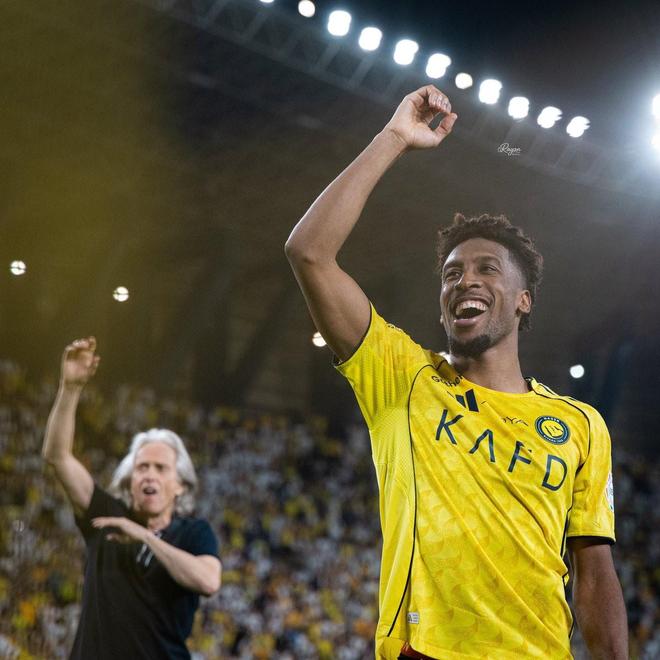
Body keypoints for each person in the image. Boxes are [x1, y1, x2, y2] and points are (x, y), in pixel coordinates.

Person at [285, 85, 628, 659]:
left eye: (487, 269)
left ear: (523, 300)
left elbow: (594, 574)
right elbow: (309, 253)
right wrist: (394, 137)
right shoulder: (401, 377)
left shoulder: (580, 426)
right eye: (451, 274)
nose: (464, 280)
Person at [42, 337, 221, 660]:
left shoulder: (194, 533)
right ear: (130, 480)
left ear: (180, 485)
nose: (150, 475)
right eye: (142, 467)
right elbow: (57, 456)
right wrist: (70, 388)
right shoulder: (105, 514)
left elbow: (208, 581)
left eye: (161, 468)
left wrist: (144, 536)